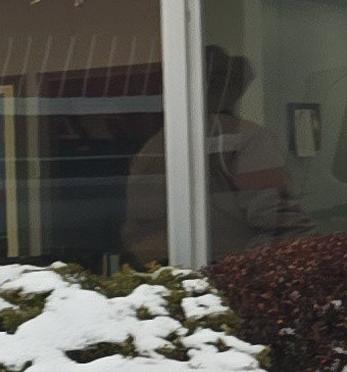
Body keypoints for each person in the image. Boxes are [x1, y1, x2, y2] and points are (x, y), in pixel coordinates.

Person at [124, 48, 298, 262]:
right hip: (227, 275)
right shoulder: (247, 138)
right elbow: (281, 223)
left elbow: (137, 227)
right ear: (231, 90)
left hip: (158, 273)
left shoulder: (154, 145)